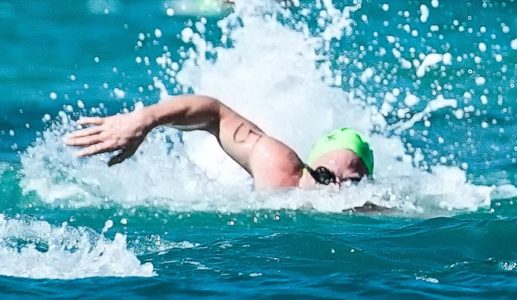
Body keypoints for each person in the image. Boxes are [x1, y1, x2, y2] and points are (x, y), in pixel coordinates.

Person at [64, 95, 374, 190]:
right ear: (309, 166)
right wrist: (145, 119)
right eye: (324, 175)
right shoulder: (278, 167)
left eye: (352, 184)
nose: (334, 189)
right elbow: (215, 114)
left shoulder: (373, 213)